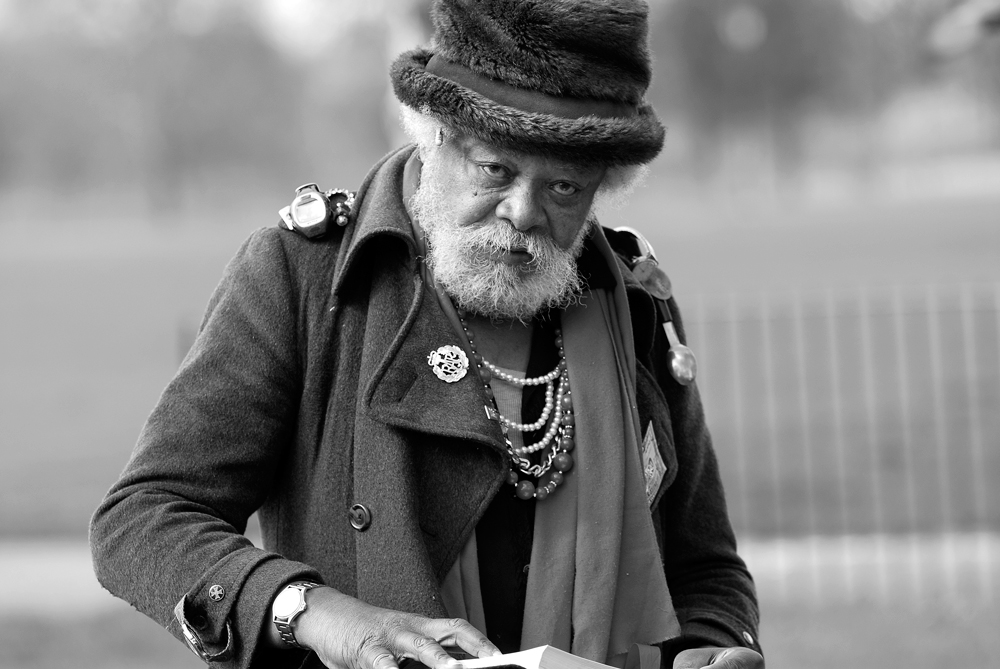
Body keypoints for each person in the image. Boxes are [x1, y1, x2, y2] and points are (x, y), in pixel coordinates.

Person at [90, 2, 763, 669]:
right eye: (496, 169)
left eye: (563, 186)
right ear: (433, 133)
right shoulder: (300, 276)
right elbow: (143, 517)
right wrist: (316, 613)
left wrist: (712, 647)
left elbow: (706, 568)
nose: (523, 213)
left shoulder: (637, 307)